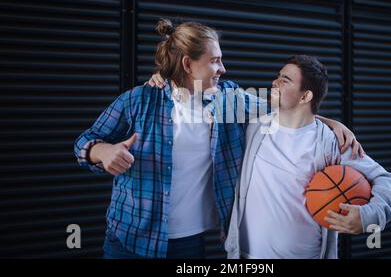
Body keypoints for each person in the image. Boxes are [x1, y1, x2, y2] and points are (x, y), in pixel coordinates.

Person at [74, 19, 363, 259]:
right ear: (188, 64)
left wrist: (329, 121)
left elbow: (288, 107)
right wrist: (102, 151)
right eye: (215, 61)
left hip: (188, 244)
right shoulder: (139, 100)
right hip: (128, 240)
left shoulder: (229, 101)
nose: (223, 69)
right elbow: (85, 142)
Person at [224, 55, 391, 259]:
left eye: (285, 79)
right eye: (278, 76)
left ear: (305, 97)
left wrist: (368, 216)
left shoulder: (332, 143)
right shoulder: (253, 127)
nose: (275, 82)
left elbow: (387, 182)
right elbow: (211, 97)